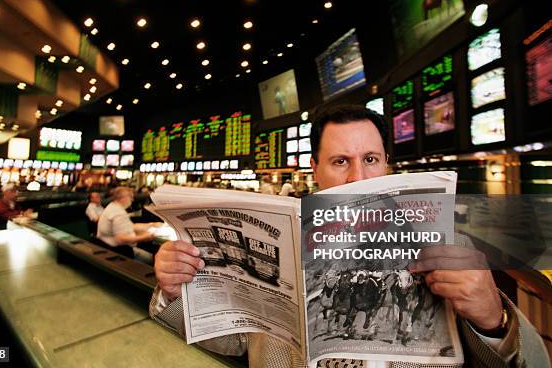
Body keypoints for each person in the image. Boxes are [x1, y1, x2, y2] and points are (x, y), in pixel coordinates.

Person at [150, 104, 547, 367]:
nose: (358, 178)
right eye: (340, 161)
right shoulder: (287, 243)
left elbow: (533, 363)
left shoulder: (447, 247)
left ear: (388, 166)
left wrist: (494, 320)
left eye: (370, 160)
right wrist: (174, 290)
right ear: (315, 169)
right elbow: (233, 341)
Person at [96, 186, 162, 263]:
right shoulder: (118, 213)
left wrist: (150, 225)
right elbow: (121, 239)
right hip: (120, 252)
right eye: (130, 197)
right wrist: (146, 236)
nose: (132, 200)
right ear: (123, 198)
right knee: (153, 258)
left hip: (110, 247)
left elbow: (129, 226)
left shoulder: (112, 206)